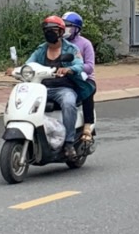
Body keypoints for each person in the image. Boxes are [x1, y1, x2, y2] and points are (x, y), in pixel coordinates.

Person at [7, 15, 85, 159]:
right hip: (41, 88)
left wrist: (69, 69)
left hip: (63, 88)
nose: (50, 33)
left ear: (61, 32)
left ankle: (68, 143)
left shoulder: (71, 49)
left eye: (53, 30)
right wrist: (17, 70)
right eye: (47, 30)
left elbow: (79, 64)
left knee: (68, 103)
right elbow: (29, 64)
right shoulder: (41, 50)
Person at [63, 11, 96, 142]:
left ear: (76, 29)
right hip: (63, 78)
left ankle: (87, 125)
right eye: (63, 25)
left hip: (84, 78)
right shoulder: (58, 43)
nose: (65, 28)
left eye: (68, 26)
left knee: (86, 91)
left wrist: (73, 69)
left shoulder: (85, 44)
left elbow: (90, 67)